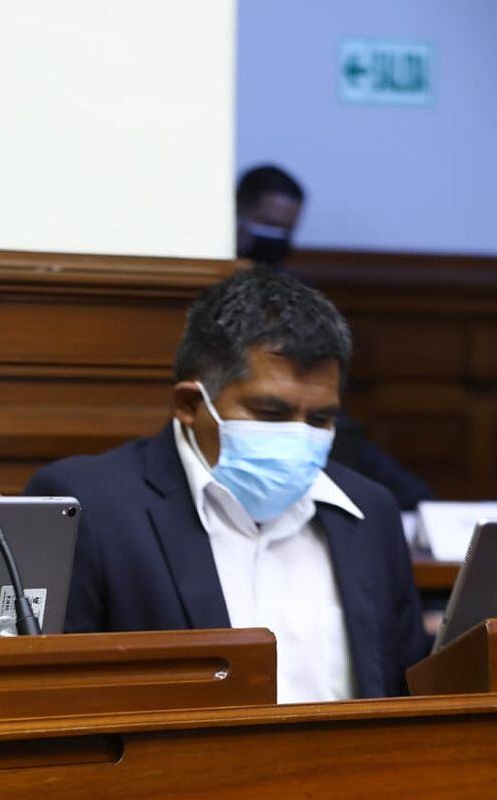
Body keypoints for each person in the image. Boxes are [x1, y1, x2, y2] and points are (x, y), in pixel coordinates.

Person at [26, 266, 430, 703]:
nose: (300, 436)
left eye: (320, 419)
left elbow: (401, 690)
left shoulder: (370, 512)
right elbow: (58, 704)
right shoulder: (91, 506)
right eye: (270, 414)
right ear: (189, 403)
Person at [236, 164, 435, 510]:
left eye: (286, 229)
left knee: (366, 459)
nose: (277, 238)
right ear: (237, 213)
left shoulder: (298, 291)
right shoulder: (207, 288)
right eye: (267, 224)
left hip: (314, 419)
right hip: (256, 419)